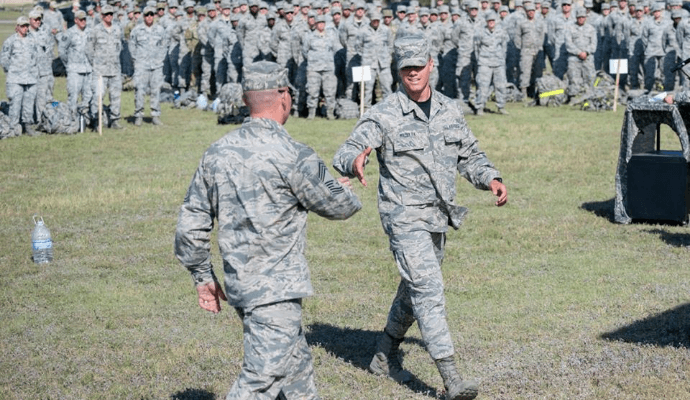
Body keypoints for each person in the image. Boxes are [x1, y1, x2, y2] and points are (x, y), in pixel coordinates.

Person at [333, 34, 507, 400]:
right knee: (428, 289)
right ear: (398, 71)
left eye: (418, 65)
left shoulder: (449, 108)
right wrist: (355, 158)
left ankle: (383, 354)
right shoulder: (384, 114)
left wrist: (491, 178)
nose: (412, 73)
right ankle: (451, 378)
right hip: (403, 216)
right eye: (405, 67)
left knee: (413, 290)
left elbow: (469, 153)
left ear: (431, 65)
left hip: (438, 217)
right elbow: (348, 148)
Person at [175, 61, 361, 399]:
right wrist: (343, 188)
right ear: (284, 97)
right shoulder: (294, 153)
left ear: (246, 100)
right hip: (275, 288)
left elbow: (191, 224)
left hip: (240, 285)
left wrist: (203, 276)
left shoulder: (216, 153)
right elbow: (339, 206)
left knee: (297, 370)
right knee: (262, 378)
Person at [130, 6, 169, 126]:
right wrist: (137, 61)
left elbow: (164, 45)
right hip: (141, 66)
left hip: (156, 66)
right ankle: (138, 115)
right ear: (143, 16)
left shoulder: (160, 30)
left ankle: (155, 115)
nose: (149, 17)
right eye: (147, 15)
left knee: (155, 91)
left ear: (154, 16)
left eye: (151, 15)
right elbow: (132, 47)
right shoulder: (137, 30)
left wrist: (160, 59)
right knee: (139, 91)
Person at [86, 5, 124, 129]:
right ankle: (96, 120)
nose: (109, 16)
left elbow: (120, 48)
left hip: (114, 70)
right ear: (102, 16)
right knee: (98, 97)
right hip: (100, 71)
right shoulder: (95, 30)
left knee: (115, 97)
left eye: (111, 14)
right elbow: (89, 50)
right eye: (106, 14)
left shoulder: (118, 30)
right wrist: (96, 63)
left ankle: (114, 120)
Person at [1, 16, 39, 136]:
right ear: (17, 27)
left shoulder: (33, 40)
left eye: (27, 26)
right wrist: (12, 71)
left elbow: (36, 57)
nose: (25, 28)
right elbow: (4, 59)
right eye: (22, 26)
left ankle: (27, 127)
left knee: (29, 104)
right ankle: (13, 128)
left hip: (30, 78)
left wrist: (33, 71)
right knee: (15, 104)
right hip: (15, 79)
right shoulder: (10, 41)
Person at [58, 10, 93, 118]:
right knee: (73, 96)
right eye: (81, 19)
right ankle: (72, 119)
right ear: (76, 20)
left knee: (88, 96)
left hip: (88, 69)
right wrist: (69, 65)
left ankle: (85, 119)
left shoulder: (90, 32)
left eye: (84, 19)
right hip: (74, 70)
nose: (83, 21)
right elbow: (62, 51)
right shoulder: (69, 33)